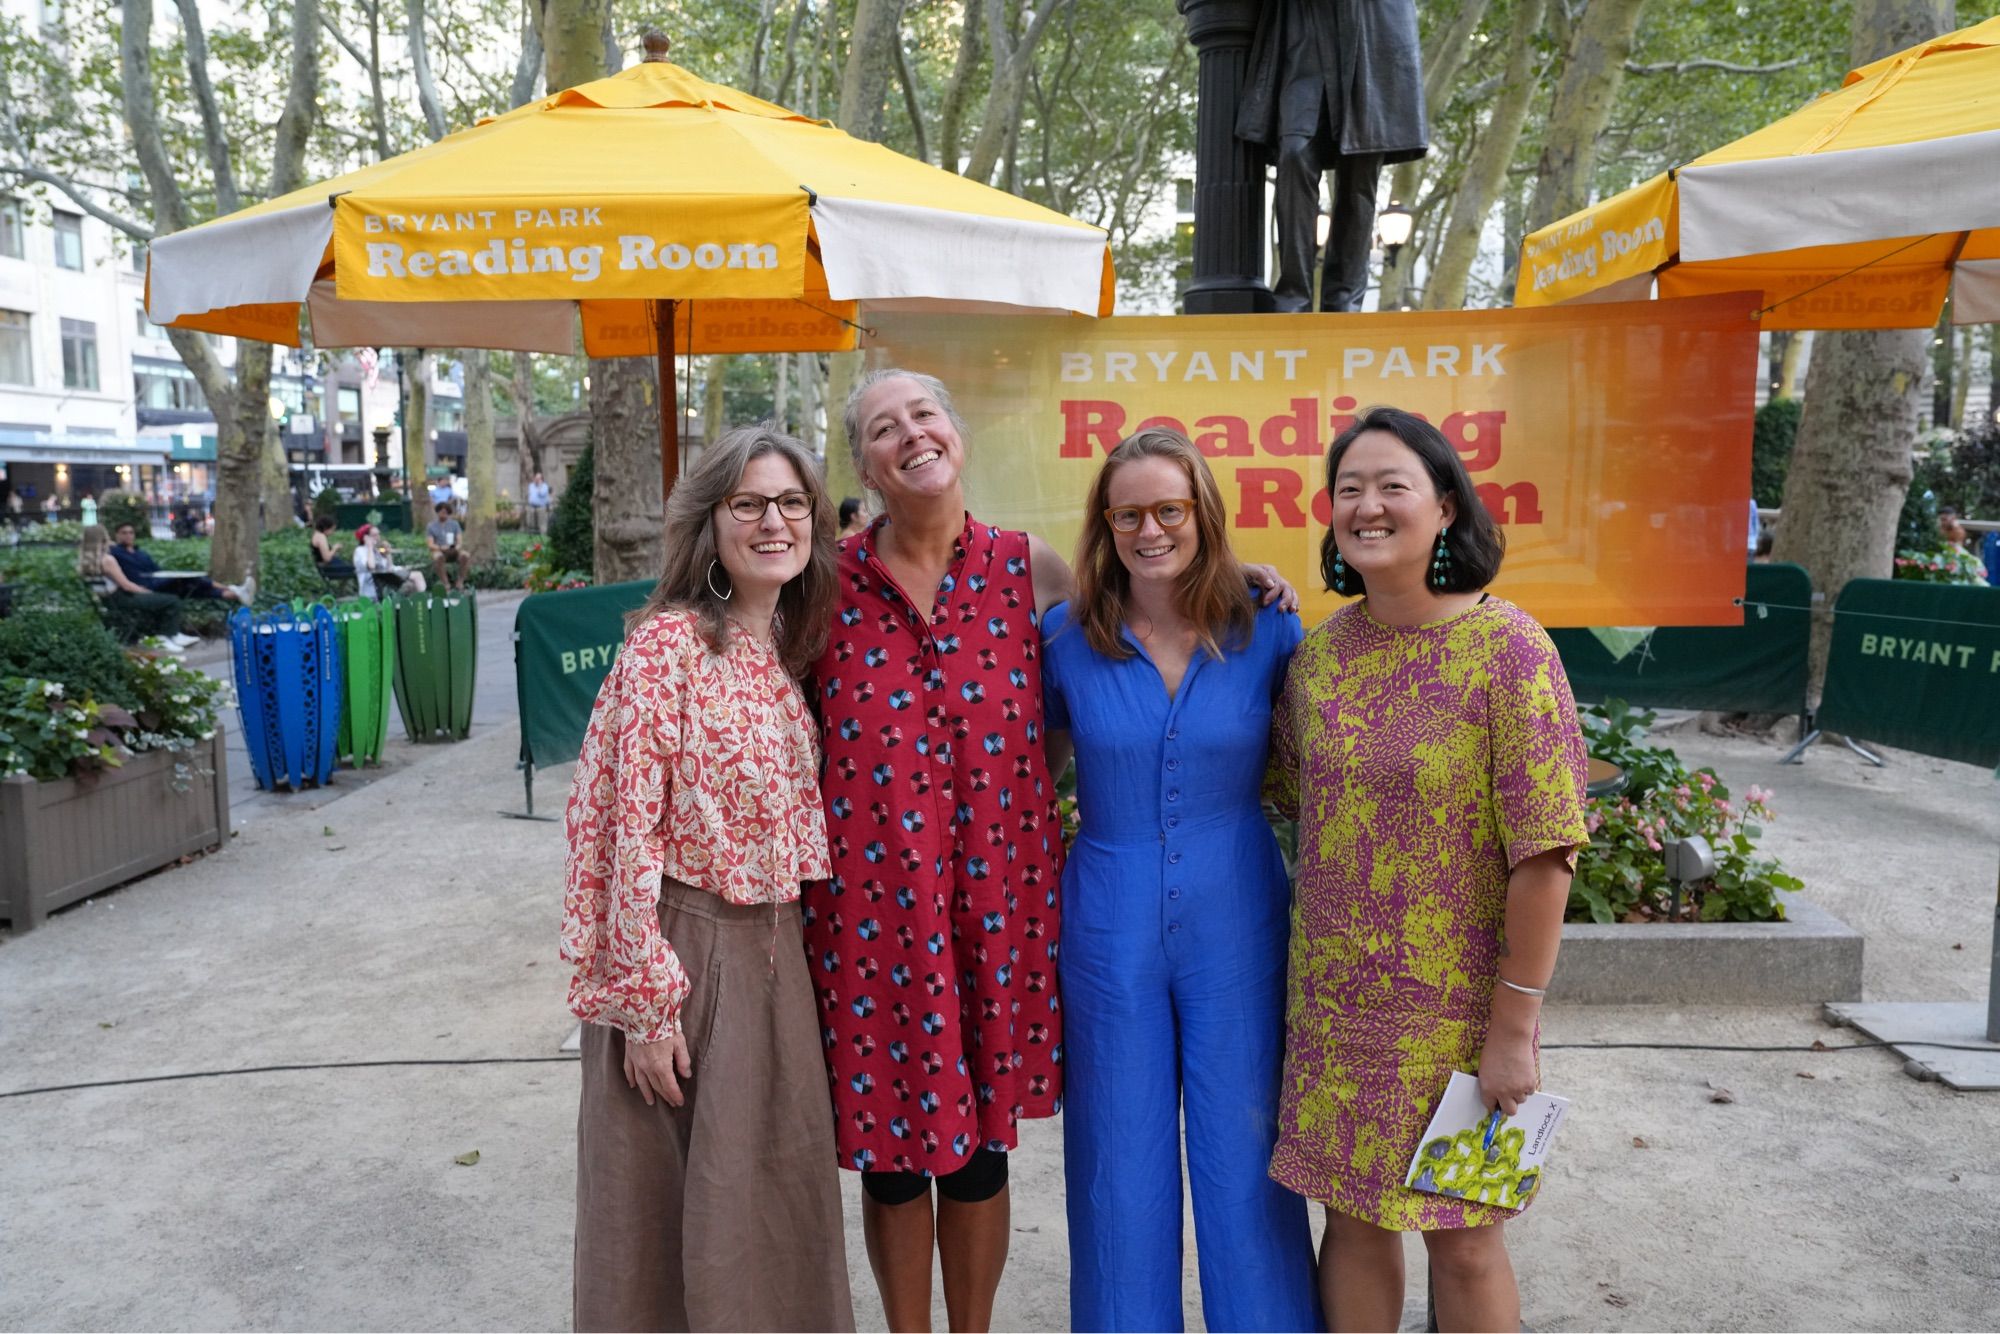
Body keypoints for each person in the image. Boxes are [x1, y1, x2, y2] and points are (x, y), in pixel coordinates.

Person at [812, 368, 1297, 1333]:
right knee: (978, 1159)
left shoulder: (1046, 579)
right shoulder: (835, 582)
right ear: (860, 462)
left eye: (924, 412)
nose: (909, 434)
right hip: (908, 912)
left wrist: (1254, 580)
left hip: (1062, 905)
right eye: (881, 427)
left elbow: (1120, 679)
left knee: (1224, 1150)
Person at [1266, 405, 1589, 1332]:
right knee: (1354, 1222)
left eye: (1392, 485)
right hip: (1334, 1009)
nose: (1367, 506)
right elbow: (1285, 794)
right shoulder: (1320, 658)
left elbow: (1546, 852)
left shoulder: (1511, 650)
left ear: (1445, 507)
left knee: (1467, 1236)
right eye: (1350, 490)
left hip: (1463, 1013)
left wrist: (1513, 1026)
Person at [563, 423, 853, 1333]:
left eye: (793, 502)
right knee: (658, 1221)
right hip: (682, 953)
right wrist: (647, 1004)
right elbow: (615, 828)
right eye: (749, 503)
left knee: (766, 1206)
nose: (775, 521)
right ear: (712, 523)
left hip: (775, 956)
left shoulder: (780, 654)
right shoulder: (670, 647)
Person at [1040, 428, 1317, 1332]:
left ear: (1203, 512)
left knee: (1247, 1147)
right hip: (1106, 917)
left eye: (1169, 509)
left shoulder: (1267, 621)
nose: (1150, 529)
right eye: (1129, 513)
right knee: (1116, 1159)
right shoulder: (1062, 637)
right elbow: (1028, 773)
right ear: (1105, 523)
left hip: (1238, 910)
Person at [1236, 0, 1427, 312]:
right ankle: (1293, 295)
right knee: (1295, 153)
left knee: (1360, 171)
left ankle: (1344, 301)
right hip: (1304, 34)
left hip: (1371, 34)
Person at [80, 524, 195, 649]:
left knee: (159, 599)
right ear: (104, 537)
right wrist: (145, 591)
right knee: (172, 601)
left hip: (108, 602)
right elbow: (126, 585)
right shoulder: (108, 560)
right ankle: (166, 637)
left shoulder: (85, 561)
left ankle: (172, 635)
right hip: (123, 599)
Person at [109, 522, 252, 604]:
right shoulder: (116, 552)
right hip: (146, 586)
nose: (128, 535)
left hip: (158, 581)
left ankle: (235, 594)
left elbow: (157, 570)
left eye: (131, 532)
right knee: (191, 579)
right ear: (117, 535)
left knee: (191, 588)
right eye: (124, 532)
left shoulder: (141, 553)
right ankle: (233, 589)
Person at [354, 523, 426, 600]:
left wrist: (388, 554)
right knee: (413, 579)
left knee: (412, 583)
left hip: (386, 583)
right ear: (366, 538)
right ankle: (420, 602)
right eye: (374, 535)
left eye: (379, 534)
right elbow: (371, 566)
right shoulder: (360, 551)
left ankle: (420, 602)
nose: (378, 537)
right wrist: (370, 547)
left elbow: (389, 568)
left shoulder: (376, 550)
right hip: (372, 591)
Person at [426, 503, 472, 591]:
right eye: (442, 512)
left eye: (446, 512)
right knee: (438, 557)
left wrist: (456, 547)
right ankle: (445, 583)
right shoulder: (431, 526)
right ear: (437, 512)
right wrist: (440, 547)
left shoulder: (454, 524)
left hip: (453, 550)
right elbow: (430, 544)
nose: (444, 514)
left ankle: (460, 582)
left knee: (465, 555)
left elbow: (459, 541)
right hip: (439, 549)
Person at [310, 516, 356, 580]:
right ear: (326, 528)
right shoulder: (321, 537)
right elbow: (327, 558)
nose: (333, 532)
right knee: (357, 570)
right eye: (332, 529)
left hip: (328, 566)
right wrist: (335, 548)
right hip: (329, 568)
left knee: (355, 569)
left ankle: (343, 589)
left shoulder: (317, 535)